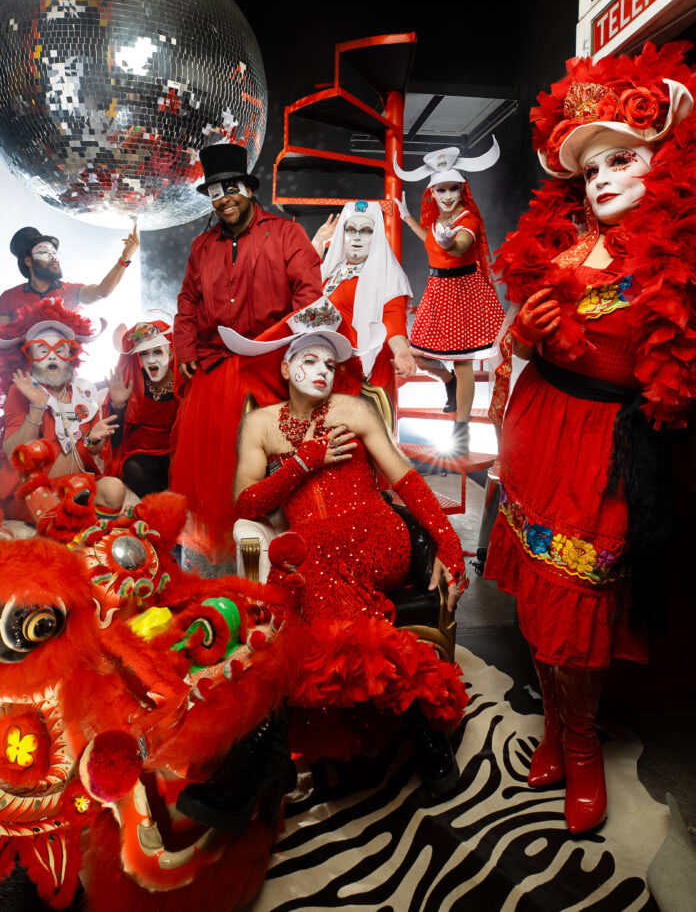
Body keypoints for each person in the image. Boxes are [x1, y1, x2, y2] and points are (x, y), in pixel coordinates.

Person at [484, 41, 696, 834]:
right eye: (591, 167)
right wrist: (524, 337)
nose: (601, 178)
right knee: (540, 597)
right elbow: (512, 345)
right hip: (538, 430)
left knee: (582, 605)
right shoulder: (566, 243)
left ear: (661, 164)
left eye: (621, 158)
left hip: (606, 453)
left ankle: (579, 743)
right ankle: (552, 725)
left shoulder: (681, 256)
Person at [231, 320, 469, 796]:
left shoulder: (353, 409)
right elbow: (247, 503)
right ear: (286, 368)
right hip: (314, 556)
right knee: (308, 566)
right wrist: (303, 462)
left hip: (378, 539)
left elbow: (403, 478)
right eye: (310, 360)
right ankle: (418, 730)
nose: (322, 370)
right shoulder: (261, 424)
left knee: (306, 567)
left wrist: (449, 543)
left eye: (330, 363)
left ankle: (266, 753)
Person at [170, 142, 323, 550]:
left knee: (268, 461)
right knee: (210, 467)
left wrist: (293, 350)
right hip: (215, 366)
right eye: (214, 192)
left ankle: (276, 548)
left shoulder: (287, 233)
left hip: (269, 365)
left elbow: (309, 296)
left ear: (249, 189)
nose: (224, 200)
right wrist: (184, 347)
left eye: (231, 188)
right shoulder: (201, 246)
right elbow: (187, 301)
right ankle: (216, 549)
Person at [394, 145, 504, 454]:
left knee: (463, 364)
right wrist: (407, 218)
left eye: (452, 188)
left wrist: (450, 243)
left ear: (461, 189)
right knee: (416, 353)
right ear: (432, 192)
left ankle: (461, 434)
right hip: (437, 292)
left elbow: (460, 246)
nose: (447, 195)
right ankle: (447, 380)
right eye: (440, 189)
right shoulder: (435, 222)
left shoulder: (468, 219)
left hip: (463, 294)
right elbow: (430, 240)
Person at [271, 200, 417, 394]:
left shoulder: (387, 274)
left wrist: (401, 350)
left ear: (377, 235)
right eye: (350, 230)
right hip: (326, 366)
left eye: (366, 231)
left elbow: (392, 319)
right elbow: (306, 284)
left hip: (361, 371)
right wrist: (318, 241)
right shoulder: (334, 268)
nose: (356, 237)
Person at [0, 299, 127, 520]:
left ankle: (83, 520)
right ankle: (76, 522)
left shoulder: (82, 392)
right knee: (60, 509)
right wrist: (36, 407)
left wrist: (93, 439)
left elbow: (91, 451)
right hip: (35, 490)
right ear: (31, 356)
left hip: (78, 483)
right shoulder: (21, 390)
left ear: (70, 354)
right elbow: (13, 453)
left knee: (114, 489)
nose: (52, 356)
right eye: (43, 350)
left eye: (59, 350)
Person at [0, 225, 140, 323]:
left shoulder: (70, 290)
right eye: (44, 252)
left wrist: (125, 258)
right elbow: (4, 343)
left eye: (54, 252)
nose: (53, 257)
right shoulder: (8, 298)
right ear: (28, 261)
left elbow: (101, 292)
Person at [106, 320, 179, 498]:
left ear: (170, 354)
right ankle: (160, 500)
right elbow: (115, 442)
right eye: (144, 353)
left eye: (157, 352)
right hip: (141, 454)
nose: (151, 359)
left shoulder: (181, 384)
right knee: (131, 468)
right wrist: (118, 405)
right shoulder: (133, 383)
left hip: (174, 451)